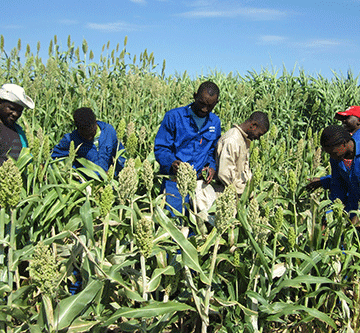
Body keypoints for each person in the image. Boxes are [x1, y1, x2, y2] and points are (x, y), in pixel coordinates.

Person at [154, 81, 221, 215]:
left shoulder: (215, 122)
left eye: (210, 106)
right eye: (202, 103)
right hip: (174, 183)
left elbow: (212, 151)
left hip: (199, 185)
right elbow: (161, 148)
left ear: (216, 103)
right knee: (174, 225)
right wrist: (171, 162)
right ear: (195, 96)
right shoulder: (174, 117)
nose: (204, 109)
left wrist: (211, 167)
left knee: (197, 227)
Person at [52, 107, 125, 175]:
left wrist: (116, 173)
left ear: (95, 123)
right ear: (78, 129)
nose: (89, 137)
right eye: (85, 135)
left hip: (108, 181)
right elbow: (53, 156)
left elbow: (120, 154)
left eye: (91, 133)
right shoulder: (71, 139)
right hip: (85, 184)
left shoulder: (109, 131)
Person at [307, 106, 360, 192]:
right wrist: (324, 181)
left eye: (347, 118)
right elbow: (340, 181)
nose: (343, 121)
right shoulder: (339, 154)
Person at [216, 111, 269, 196]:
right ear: (253, 126)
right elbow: (225, 175)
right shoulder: (232, 140)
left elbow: (244, 170)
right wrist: (245, 193)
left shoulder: (243, 140)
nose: (258, 138)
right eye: (259, 134)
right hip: (226, 193)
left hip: (238, 192)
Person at [319, 125, 360, 225]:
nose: (331, 157)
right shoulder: (336, 159)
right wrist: (329, 215)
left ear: (344, 144)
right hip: (352, 204)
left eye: (333, 152)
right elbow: (338, 187)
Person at [0, 83, 34, 164]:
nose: (15, 114)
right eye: (11, 108)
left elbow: (26, 156)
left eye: (20, 111)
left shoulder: (18, 131)